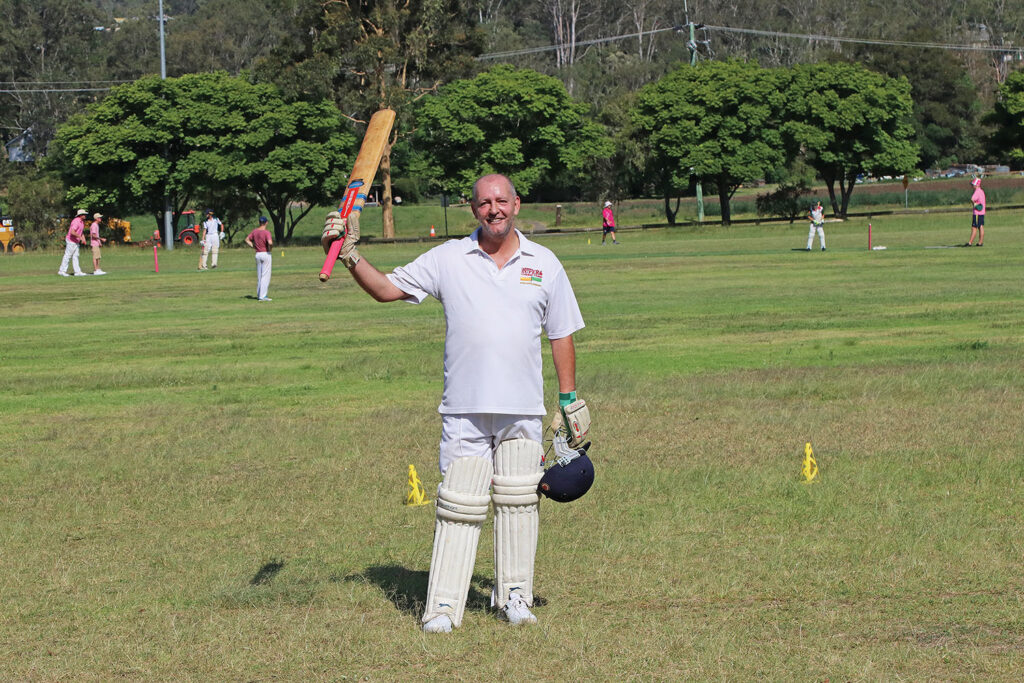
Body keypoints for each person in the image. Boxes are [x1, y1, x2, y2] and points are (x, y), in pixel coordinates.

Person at [322, 173, 590, 633]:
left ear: (517, 204)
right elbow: (388, 289)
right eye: (484, 203)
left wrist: (567, 400)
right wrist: (349, 254)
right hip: (464, 406)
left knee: (520, 501)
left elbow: (561, 330)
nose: (494, 209)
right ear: (474, 209)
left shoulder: (544, 263)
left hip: (523, 407)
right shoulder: (449, 258)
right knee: (460, 503)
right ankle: (444, 606)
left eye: (501, 201)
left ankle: (515, 595)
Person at [245, 216, 273, 301]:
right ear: (266, 222)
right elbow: (270, 242)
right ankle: (262, 296)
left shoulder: (255, 231)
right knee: (265, 276)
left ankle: (259, 294)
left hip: (257, 254)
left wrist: (253, 246)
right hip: (265, 253)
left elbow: (247, 240)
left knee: (260, 275)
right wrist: (270, 249)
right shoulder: (266, 232)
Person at [58, 209, 89, 276]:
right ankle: (62, 271)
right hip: (71, 241)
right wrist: (79, 237)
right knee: (68, 256)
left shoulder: (82, 222)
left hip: (76, 241)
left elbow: (81, 232)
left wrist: (83, 239)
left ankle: (77, 272)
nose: (85, 215)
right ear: (80, 215)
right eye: (84, 214)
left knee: (76, 256)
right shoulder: (76, 221)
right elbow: (72, 232)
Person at [965, 177, 985, 247]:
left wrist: (975, 204)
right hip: (982, 212)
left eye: (973, 184)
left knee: (974, 227)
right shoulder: (982, 191)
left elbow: (972, 199)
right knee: (981, 226)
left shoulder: (977, 191)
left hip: (977, 213)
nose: (972, 186)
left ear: (977, 185)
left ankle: (970, 242)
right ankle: (980, 242)